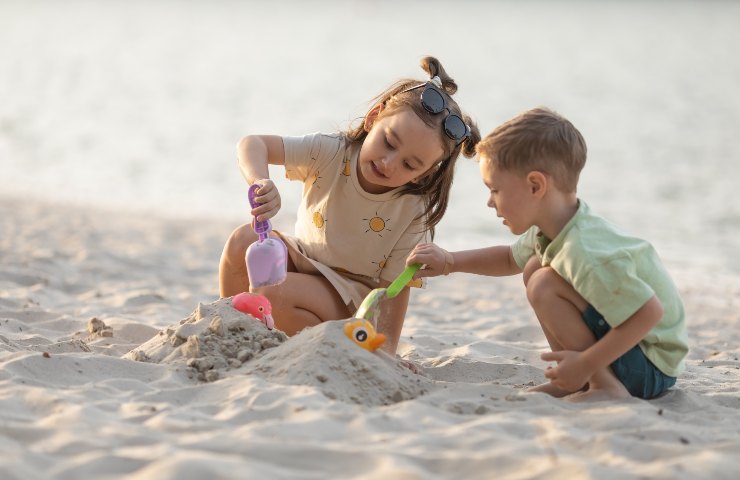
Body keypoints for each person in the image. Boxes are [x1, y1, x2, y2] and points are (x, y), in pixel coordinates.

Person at [405, 107, 688, 400]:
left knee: (544, 283)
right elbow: (507, 259)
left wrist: (586, 363)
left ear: (535, 185)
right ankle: (578, 378)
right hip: (632, 351)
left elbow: (649, 312)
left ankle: (601, 383)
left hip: (652, 364)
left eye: (495, 190)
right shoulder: (554, 229)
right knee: (533, 268)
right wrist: (450, 262)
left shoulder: (584, 251)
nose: (490, 202)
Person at [219, 57, 480, 354]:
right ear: (373, 118)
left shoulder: (412, 211)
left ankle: (267, 324)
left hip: (347, 297)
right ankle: (233, 329)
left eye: (409, 164)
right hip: (304, 257)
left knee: (273, 291)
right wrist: (260, 181)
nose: (388, 163)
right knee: (244, 240)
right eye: (389, 142)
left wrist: (387, 351)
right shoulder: (331, 152)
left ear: (426, 172)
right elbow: (253, 144)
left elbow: (394, 290)